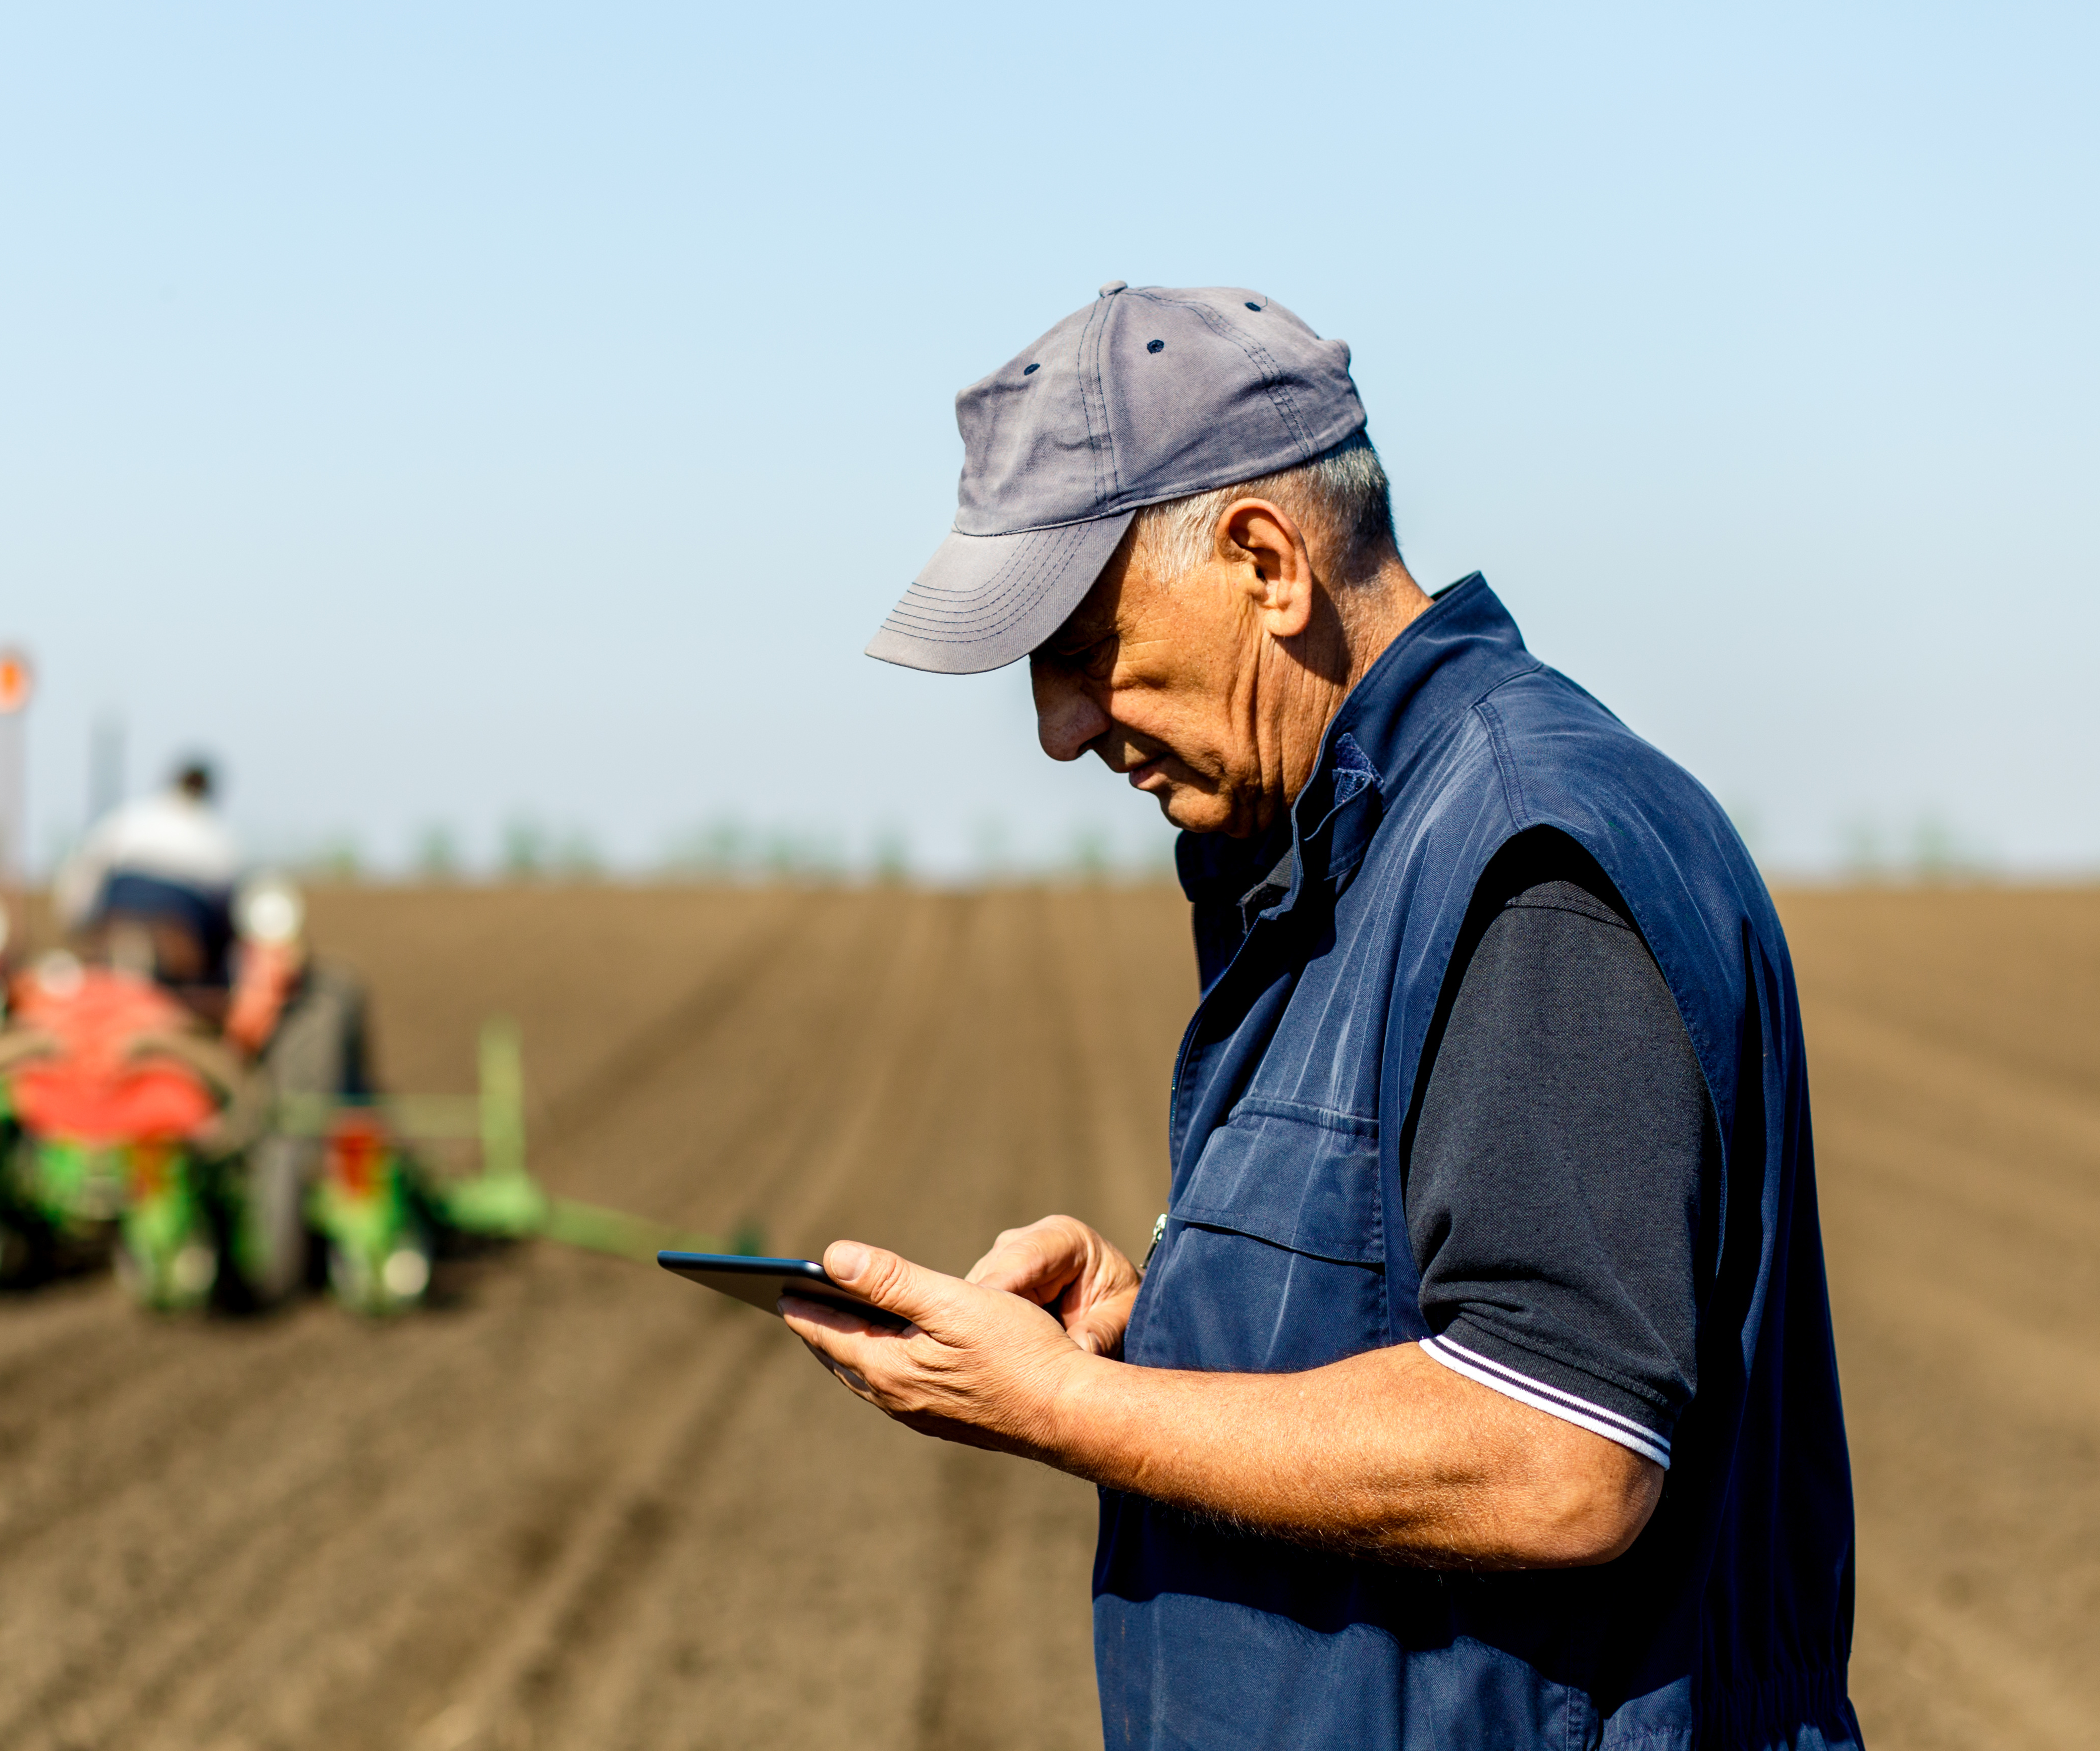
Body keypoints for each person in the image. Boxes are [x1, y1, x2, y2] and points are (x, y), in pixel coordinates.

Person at [785, 282, 1858, 1748]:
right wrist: (1161, 1318)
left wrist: (1060, 1408)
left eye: (1079, 644)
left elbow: (1558, 1451)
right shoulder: (1342, 855)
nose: (1057, 727)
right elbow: (1402, 1302)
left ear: (1265, 562)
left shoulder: (1522, 855)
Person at [52, 756, 242, 1005]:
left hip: (116, 924)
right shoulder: (219, 840)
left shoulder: (129, 818)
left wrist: (78, 926)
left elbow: (83, 877)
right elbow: (229, 920)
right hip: (180, 939)